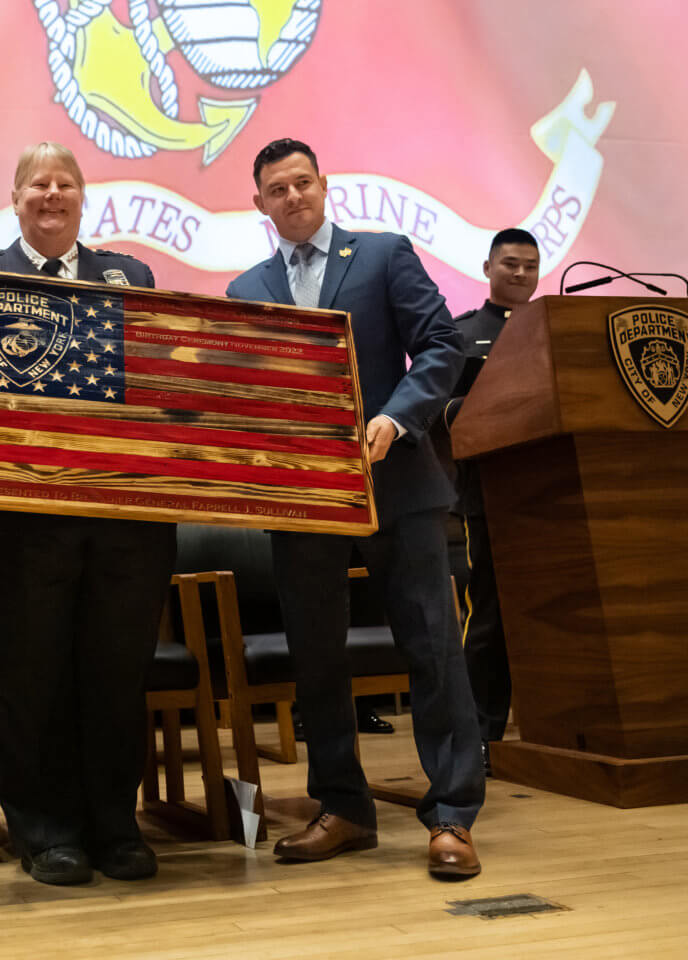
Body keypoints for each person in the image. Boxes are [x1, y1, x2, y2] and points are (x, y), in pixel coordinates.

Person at [226, 138, 485, 879]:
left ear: (324, 185)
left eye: (302, 182)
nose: (293, 197)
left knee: (432, 647)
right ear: (260, 205)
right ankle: (343, 808)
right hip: (305, 500)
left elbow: (439, 345)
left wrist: (398, 417)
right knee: (316, 657)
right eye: (277, 189)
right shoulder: (247, 291)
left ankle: (453, 815)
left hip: (398, 482)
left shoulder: (383, 255)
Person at [0, 142, 178, 886]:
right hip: (17, 531)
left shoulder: (130, 275)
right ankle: (46, 831)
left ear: (84, 198)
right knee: (30, 678)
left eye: (65, 183)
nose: (52, 194)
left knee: (114, 674)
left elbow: (158, 380)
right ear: (14, 199)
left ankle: (115, 825)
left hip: (123, 524)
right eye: (38, 184)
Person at [441, 228, 541, 775]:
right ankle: (478, 733)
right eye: (510, 264)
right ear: (487, 267)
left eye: (530, 265)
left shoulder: (552, 332)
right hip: (489, 494)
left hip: (555, 497)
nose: (521, 274)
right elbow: (443, 412)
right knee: (490, 618)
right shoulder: (461, 335)